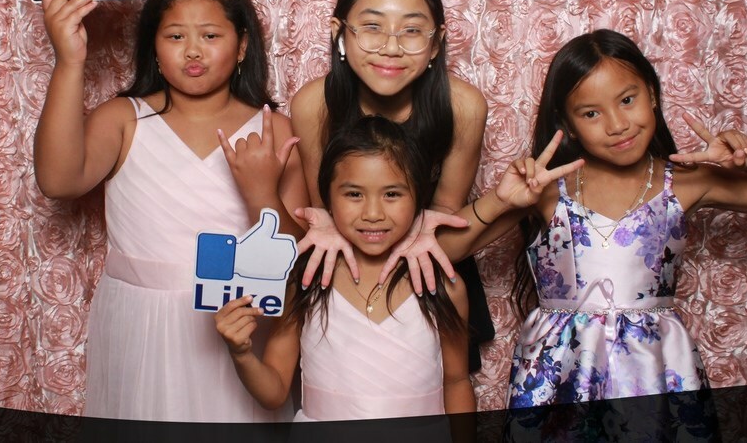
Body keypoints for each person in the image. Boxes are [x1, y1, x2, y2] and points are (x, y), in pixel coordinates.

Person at [33, 0, 307, 422]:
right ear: (154, 49)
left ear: (242, 46)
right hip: (141, 321)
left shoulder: (272, 129)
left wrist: (261, 194)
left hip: (237, 317)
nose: (193, 50)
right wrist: (69, 60)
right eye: (176, 36)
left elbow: (297, 254)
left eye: (211, 36)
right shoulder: (124, 119)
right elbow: (59, 181)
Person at [214, 116, 579, 421]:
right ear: (327, 198)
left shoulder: (442, 284)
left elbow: (455, 383)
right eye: (354, 194)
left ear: (418, 198)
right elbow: (274, 391)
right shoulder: (308, 278)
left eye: (392, 194)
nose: (373, 213)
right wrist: (241, 353)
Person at [507, 29, 747, 408]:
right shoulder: (544, 189)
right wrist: (493, 203)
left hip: (656, 369)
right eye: (592, 113)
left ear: (653, 94)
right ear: (568, 124)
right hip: (558, 374)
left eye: (628, 100)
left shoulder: (688, 183)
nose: (617, 124)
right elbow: (453, 244)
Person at [289, 0, 496, 372]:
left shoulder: (463, 106)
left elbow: (445, 215)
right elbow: (325, 212)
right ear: (339, 33)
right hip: (346, 269)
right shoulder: (314, 104)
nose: (391, 47)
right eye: (372, 27)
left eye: (412, 31)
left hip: (427, 269)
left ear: (436, 44)